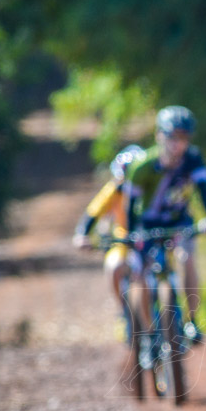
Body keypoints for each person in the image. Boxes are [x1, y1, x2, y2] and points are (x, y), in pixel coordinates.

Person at [124, 105, 206, 344]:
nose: (179, 144)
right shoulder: (142, 166)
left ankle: (191, 321)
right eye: (173, 137)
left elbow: (204, 191)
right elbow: (131, 206)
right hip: (148, 225)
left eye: (184, 138)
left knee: (187, 258)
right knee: (142, 276)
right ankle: (147, 334)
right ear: (159, 136)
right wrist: (131, 234)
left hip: (180, 223)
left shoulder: (193, 159)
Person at [73, 145, 147, 339]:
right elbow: (93, 212)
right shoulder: (113, 190)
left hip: (149, 238)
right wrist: (82, 234)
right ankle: (124, 311)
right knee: (114, 267)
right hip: (123, 240)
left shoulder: (152, 188)